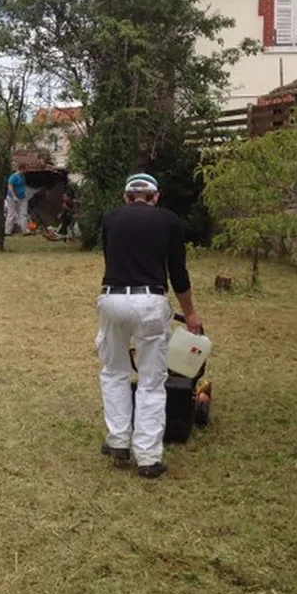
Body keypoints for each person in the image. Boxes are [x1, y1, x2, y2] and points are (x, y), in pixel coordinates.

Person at [95, 173, 203, 479]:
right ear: (155, 197)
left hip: (112, 299)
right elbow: (178, 275)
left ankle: (118, 440)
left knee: (114, 371)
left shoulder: (110, 219)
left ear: (126, 196)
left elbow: (111, 260)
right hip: (150, 301)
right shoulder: (169, 221)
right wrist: (190, 314)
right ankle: (147, 456)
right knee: (152, 380)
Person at [4, 164, 30, 236]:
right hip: (12, 198)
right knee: (11, 214)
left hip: (22, 197)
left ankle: (25, 231)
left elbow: (22, 187)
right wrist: (14, 196)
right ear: (21, 169)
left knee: (23, 214)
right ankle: (7, 231)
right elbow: (10, 187)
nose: (26, 171)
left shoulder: (23, 177)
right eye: (25, 169)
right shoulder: (14, 177)